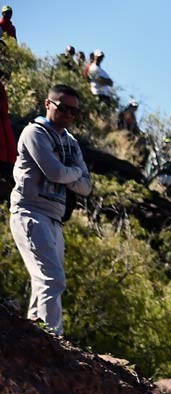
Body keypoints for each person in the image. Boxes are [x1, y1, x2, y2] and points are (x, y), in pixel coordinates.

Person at [9, 85, 92, 336]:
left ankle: (36, 335)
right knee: (52, 279)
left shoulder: (71, 142)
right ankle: (52, 338)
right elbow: (55, 172)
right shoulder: (35, 133)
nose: (68, 114)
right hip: (30, 212)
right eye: (63, 108)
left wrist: (69, 173)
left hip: (55, 219)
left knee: (43, 282)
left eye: (73, 111)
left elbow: (86, 187)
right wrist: (73, 173)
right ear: (48, 103)